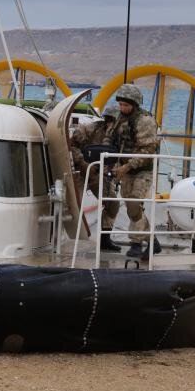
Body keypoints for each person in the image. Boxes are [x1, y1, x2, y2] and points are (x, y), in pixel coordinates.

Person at [103, 83, 161, 260]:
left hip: (142, 170)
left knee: (135, 205)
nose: (122, 108)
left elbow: (147, 150)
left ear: (135, 104)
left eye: (126, 105)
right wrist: (106, 154)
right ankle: (153, 242)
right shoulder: (119, 119)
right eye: (120, 104)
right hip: (124, 169)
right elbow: (109, 137)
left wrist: (127, 166)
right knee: (131, 208)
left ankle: (140, 242)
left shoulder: (145, 122)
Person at [70, 105, 120, 252]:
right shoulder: (89, 129)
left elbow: (122, 155)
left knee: (113, 203)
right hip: (81, 171)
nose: (111, 124)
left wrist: (114, 169)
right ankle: (68, 236)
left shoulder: (121, 136)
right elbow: (72, 146)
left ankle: (105, 240)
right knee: (73, 204)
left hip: (100, 174)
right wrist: (83, 163)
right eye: (110, 120)